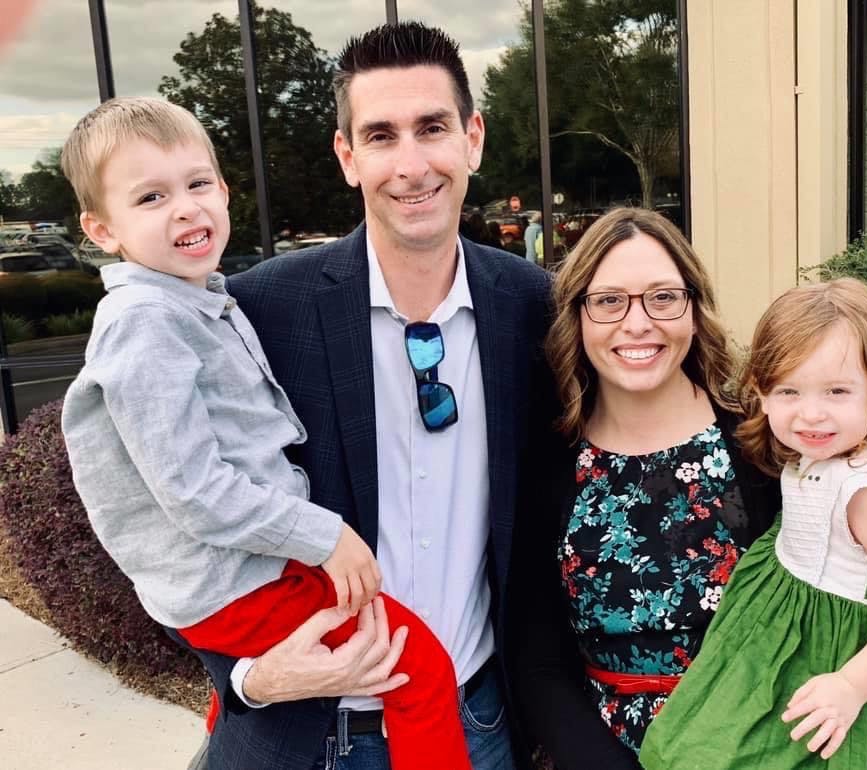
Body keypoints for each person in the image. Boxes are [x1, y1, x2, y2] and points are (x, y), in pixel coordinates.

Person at [174, 22, 553, 770]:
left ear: (472, 139)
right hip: (300, 733)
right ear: (349, 157)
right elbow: (171, 517)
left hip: (475, 727)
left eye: (432, 128)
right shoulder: (260, 311)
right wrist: (249, 679)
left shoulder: (532, 306)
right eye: (381, 136)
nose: (411, 165)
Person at [58, 95, 473, 770]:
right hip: (236, 581)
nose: (185, 208)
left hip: (245, 570)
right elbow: (193, 490)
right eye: (151, 197)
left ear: (224, 192)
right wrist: (325, 536)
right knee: (418, 670)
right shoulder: (145, 322)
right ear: (102, 228)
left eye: (197, 184)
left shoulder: (198, 300)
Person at [640, 278, 867, 769]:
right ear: (762, 393)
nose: (811, 414)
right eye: (789, 390)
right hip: (786, 638)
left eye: (837, 391)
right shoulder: (818, 454)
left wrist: (851, 685)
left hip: (854, 660)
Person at [507, 207, 780, 767]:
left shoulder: (759, 449)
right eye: (609, 301)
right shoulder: (549, 465)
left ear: (694, 310)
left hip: (756, 746)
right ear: (578, 317)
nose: (638, 323)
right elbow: (537, 661)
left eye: (663, 297)